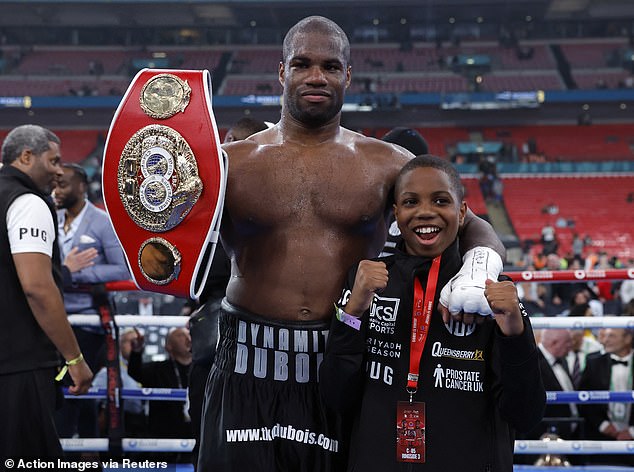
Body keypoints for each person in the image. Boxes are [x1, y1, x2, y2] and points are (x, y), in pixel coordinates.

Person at [198, 16, 505, 472]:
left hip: (343, 359)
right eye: (302, 64)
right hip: (247, 358)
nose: (316, 76)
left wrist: (478, 267)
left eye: (330, 66)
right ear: (282, 73)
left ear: (348, 76)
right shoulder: (229, 164)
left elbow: (471, 223)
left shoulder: (386, 163)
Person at [319, 155, 545, 471]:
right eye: (411, 202)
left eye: (441, 200)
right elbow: (336, 397)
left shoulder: (491, 293)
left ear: (462, 211)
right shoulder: (365, 282)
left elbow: (526, 414)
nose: (425, 212)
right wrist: (352, 311)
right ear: (396, 213)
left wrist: (515, 333)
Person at [0, 124, 93, 459]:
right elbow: (38, 287)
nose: (58, 171)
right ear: (26, 156)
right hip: (20, 364)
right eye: (53, 161)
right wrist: (75, 358)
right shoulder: (28, 203)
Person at [188, 115, 268, 470]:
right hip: (217, 333)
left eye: (235, 140)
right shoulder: (205, 199)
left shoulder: (268, 201)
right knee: (207, 430)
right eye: (226, 139)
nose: (224, 147)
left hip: (257, 334)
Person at [53, 162, 130, 438]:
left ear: (82, 187)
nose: (56, 189)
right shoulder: (51, 217)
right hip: (53, 319)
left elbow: (122, 269)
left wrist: (78, 273)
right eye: (55, 184)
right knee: (68, 395)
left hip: (87, 324)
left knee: (67, 390)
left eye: (63, 184)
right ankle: (80, 454)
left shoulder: (102, 222)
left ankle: (63, 452)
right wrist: (65, 269)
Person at [127, 326, 193, 441]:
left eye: (188, 335)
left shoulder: (202, 369)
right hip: (165, 437)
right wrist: (136, 352)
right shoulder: (158, 369)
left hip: (195, 434)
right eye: (180, 335)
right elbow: (135, 371)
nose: (187, 338)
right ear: (168, 346)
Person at [92, 327, 146, 437]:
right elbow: (92, 400)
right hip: (118, 423)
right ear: (120, 345)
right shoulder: (107, 372)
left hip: (141, 425)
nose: (133, 344)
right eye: (129, 341)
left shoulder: (146, 369)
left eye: (136, 341)